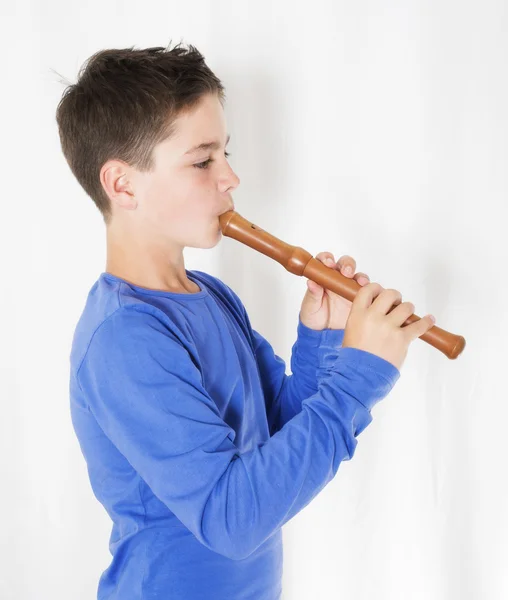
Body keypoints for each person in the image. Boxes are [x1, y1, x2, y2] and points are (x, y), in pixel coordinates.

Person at [56, 42, 436, 600]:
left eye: (226, 154)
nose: (230, 177)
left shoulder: (210, 296)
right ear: (123, 185)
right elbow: (232, 519)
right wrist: (360, 375)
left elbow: (275, 436)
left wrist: (324, 341)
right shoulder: (125, 339)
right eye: (203, 160)